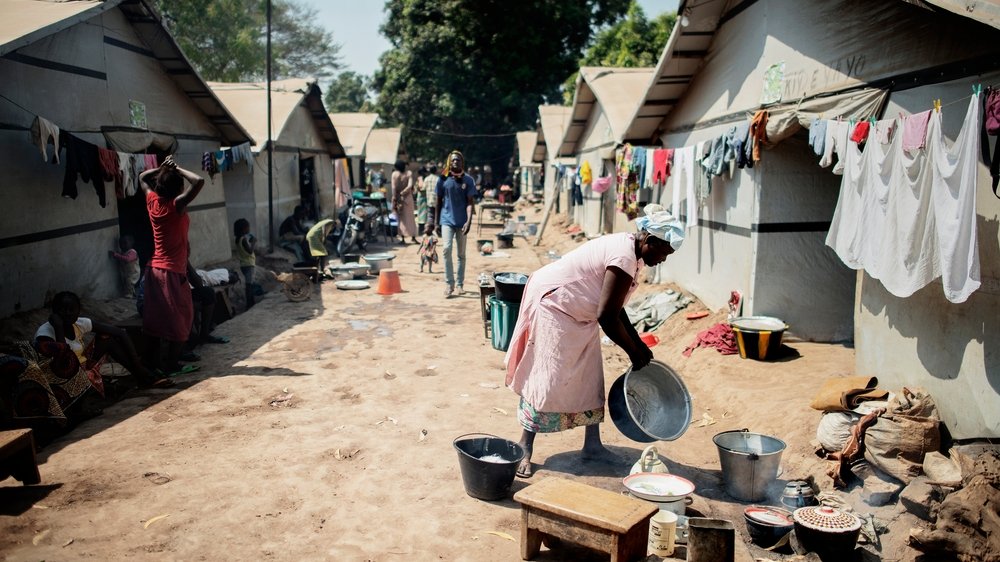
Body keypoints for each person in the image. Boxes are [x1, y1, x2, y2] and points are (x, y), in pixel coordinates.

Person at [503, 204, 685, 478]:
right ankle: (525, 445)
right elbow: (608, 316)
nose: (663, 260)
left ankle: (592, 445)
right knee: (547, 379)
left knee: (590, 376)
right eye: (663, 253)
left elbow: (616, 307)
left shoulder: (633, 253)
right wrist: (632, 352)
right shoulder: (623, 256)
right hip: (555, 305)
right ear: (649, 240)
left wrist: (638, 344)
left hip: (581, 313)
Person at [138, 155, 204, 375]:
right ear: (178, 189)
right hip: (171, 272)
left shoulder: (153, 202)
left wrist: (162, 169)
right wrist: (177, 168)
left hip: (153, 271)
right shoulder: (176, 205)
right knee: (182, 318)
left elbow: (142, 177)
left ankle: (155, 364)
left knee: (157, 322)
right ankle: (171, 364)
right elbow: (199, 181)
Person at [35, 292, 170, 396]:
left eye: (72, 309)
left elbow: (120, 333)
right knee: (113, 390)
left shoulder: (79, 324)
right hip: (64, 376)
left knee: (107, 338)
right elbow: (62, 364)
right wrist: (58, 328)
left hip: (83, 366)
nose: (67, 314)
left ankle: (142, 376)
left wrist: (139, 367)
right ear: (54, 313)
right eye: (62, 310)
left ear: (79, 311)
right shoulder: (45, 333)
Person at [428, 150, 476, 297]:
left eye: (459, 160)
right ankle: (449, 284)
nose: (456, 162)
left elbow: (470, 203)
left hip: (462, 223)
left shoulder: (468, 180)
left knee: (461, 254)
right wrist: (436, 223)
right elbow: (438, 202)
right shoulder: (443, 179)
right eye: (453, 160)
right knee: (446, 249)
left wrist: (469, 221)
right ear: (449, 162)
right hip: (446, 220)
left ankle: (460, 284)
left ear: (462, 163)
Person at [391, 160, 418, 244]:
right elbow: (410, 185)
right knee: (411, 218)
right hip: (408, 198)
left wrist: (395, 197)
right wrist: (405, 192)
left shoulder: (395, 174)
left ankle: (402, 238)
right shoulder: (409, 173)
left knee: (401, 219)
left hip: (399, 199)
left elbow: (393, 187)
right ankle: (413, 237)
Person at [234, 218, 256, 309]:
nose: (249, 229)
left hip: (244, 264)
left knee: (249, 284)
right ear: (243, 229)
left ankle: (251, 302)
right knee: (249, 285)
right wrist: (254, 242)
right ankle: (249, 304)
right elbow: (250, 251)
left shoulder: (238, 239)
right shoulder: (243, 239)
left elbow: (244, 250)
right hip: (249, 264)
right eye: (248, 227)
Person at [421, 164, 440, 230]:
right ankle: (437, 226)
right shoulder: (438, 179)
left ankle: (429, 227)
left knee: (430, 215)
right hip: (438, 200)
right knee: (437, 214)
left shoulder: (426, 179)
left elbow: (423, 189)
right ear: (436, 171)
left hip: (429, 200)